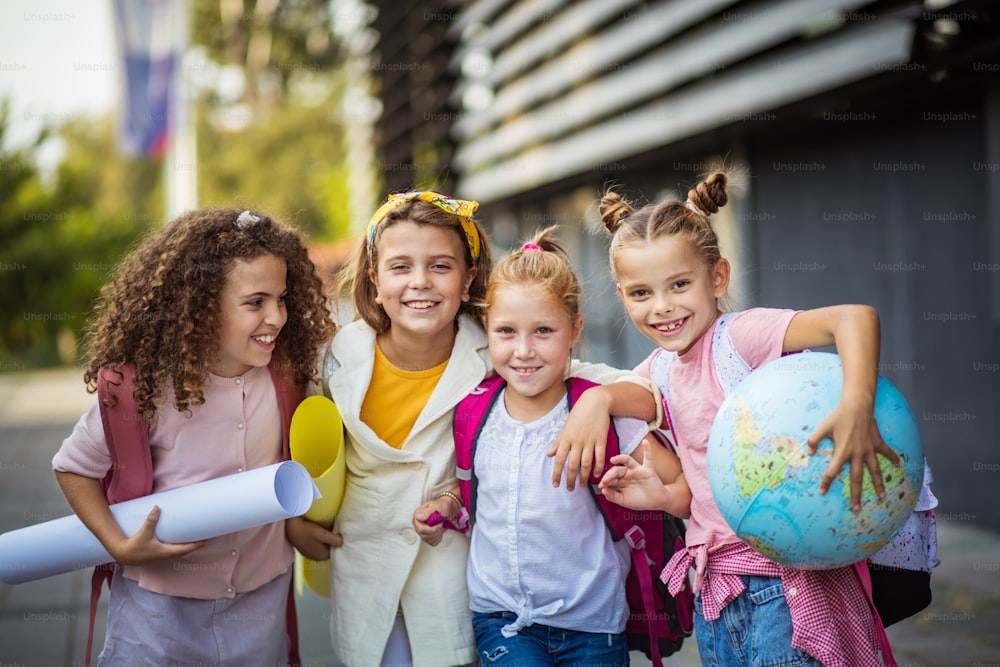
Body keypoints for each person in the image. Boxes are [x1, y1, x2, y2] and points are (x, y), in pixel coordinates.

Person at [289, 191, 660, 667]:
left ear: (468, 280)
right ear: (375, 280)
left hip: (451, 582)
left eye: (440, 266)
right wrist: (293, 520)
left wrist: (599, 399)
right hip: (363, 574)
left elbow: (643, 391)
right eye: (400, 267)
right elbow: (304, 445)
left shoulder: (502, 349)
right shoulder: (339, 354)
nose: (420, 282)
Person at [596, 172, 901, 667]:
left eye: (679, 284)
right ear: (622, 295)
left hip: (785, 586)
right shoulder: (656, 372)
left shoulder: (739, 336)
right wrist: (662, 497)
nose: (662, 307)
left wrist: (856, 408)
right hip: (715, 590)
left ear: (718, 277)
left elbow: (856, 317)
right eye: (640, 293)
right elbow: (694, 494)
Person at [52, 208, 336, 665]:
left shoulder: (289, 376)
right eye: (255, 302)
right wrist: (118, 544)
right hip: (158, 615)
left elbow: (290, 467)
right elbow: (73, 468)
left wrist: (296, 524)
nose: (277, 317)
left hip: (260, 606)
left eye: (282, 299)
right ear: (200, 306)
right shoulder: (142, 390)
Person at [416, 226, 690, 666]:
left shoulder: (599, 406)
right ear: (486, 329)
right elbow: (479, 496)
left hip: (594, 627)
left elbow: (678, 480)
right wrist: (448, 505)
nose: (524, 350)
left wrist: (656, 494)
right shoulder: (472, 411)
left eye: (543, 330)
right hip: (501, 618)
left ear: (575, 330)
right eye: (506, 331)